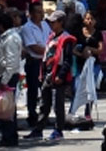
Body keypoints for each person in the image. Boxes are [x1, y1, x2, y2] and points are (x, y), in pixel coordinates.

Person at [25, 10, 75, 142]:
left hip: (58, 74)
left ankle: (59, 130)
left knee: (58, 104)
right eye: (50, 22)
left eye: (54, 22)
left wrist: (61, 75)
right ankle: (38, 129)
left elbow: (67, 60)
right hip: (48, 73)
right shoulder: (51, 37)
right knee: (44, 103)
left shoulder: (66, 39)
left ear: (61, 23)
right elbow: (47, 56)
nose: (52, 25)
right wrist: (42, 73)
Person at [0, 11, 23, 147]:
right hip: (6, 76)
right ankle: (8, 137)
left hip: (7, 78)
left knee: (6, 109)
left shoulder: (10, 39)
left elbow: (11, 62)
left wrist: (4, 82)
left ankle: (8, 138)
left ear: (0, 25)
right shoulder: (9, 38)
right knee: (6, 109)